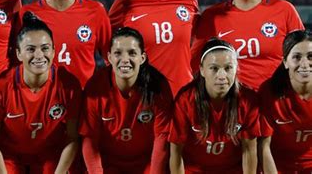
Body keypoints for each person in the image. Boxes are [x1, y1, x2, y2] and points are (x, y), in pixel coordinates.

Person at [0, 11, 81, 173]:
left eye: (45, 48)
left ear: (54, 51)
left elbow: (72, 138)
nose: (39, 55)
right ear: (18, 53)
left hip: (50, 155)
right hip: (10, 155)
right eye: (30, 49)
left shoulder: (69, 85)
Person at [80, 27, 172, 173]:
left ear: (142, 58)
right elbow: (90, 139)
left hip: (147, 164)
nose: (125, 60)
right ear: (109, 57)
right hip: (107, 164)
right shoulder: (95, 86)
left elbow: (161, 140)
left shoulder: (158, 86)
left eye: (132, 53)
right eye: (118, 53)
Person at [169, 38, 260, 173]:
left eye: (228, 68)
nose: (221, 76)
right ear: (202, 70)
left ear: (236, 69)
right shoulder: (185, 100)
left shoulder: (248, 100)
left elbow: (249, 151)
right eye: (214, 68)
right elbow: (176, 153)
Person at [260, 30, 312, 173]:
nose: (305, 64)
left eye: (310, 56)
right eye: (296, 57)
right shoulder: (269, 92)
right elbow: (264, 146)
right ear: (285, 62)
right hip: (278, 167)